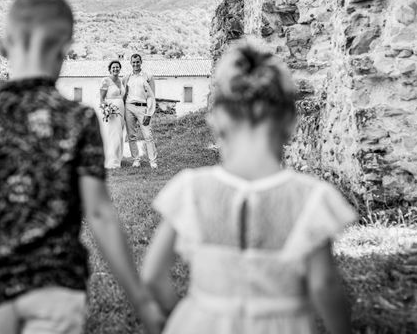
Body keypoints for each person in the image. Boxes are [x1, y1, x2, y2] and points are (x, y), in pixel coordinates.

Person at [0, 0, 164, 334]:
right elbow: (99, 214)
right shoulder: (77, 120)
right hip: (58, 287)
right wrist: (141, 300)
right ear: (65, 48)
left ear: (2, 45)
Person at [141, 39, 356, 334]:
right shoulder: (312, 198)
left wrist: (192, 314)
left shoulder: (189, 190)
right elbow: (324, 286)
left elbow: (152, 275)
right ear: (291, 122)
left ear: (216, 120)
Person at [124, 54, 157, 169]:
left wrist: (149, 113)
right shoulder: (127, 77)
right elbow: (124, 94)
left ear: (141, 62)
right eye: (133, 62)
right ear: (130, 63)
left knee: (148, 135)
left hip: (143, 108)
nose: (135, 64)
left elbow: (152, 96)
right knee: (131, 135)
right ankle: (136, 160)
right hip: (129, 107)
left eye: (137, 62)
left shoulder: (148, 76)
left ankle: (152, 161)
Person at [99, 60, 126, 169]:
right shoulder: (106, 80)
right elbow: (101, 98)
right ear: (110, 69)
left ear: (120, 69)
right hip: (111, 112)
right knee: (113, 135)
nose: (115, 69)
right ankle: (111, 161)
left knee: (120, 134)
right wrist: (106, 109)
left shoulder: (121, 81)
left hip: (121, 111)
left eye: (117, 67)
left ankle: (118, 158)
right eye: (113, 67)